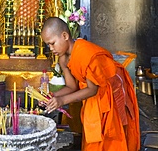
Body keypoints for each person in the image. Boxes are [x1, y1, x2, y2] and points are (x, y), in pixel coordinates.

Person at [41, 17, 140, 151]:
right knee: (94, 135)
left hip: (111, 90)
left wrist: (62, 100)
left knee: (112, 135)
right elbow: (72, 87)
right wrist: (52, 96)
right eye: (48, 45)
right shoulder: (63, 59)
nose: (51, 48)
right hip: (94, 94)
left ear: (64, 36)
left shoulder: (86, 53)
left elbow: (92, 89)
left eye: (52, 43)